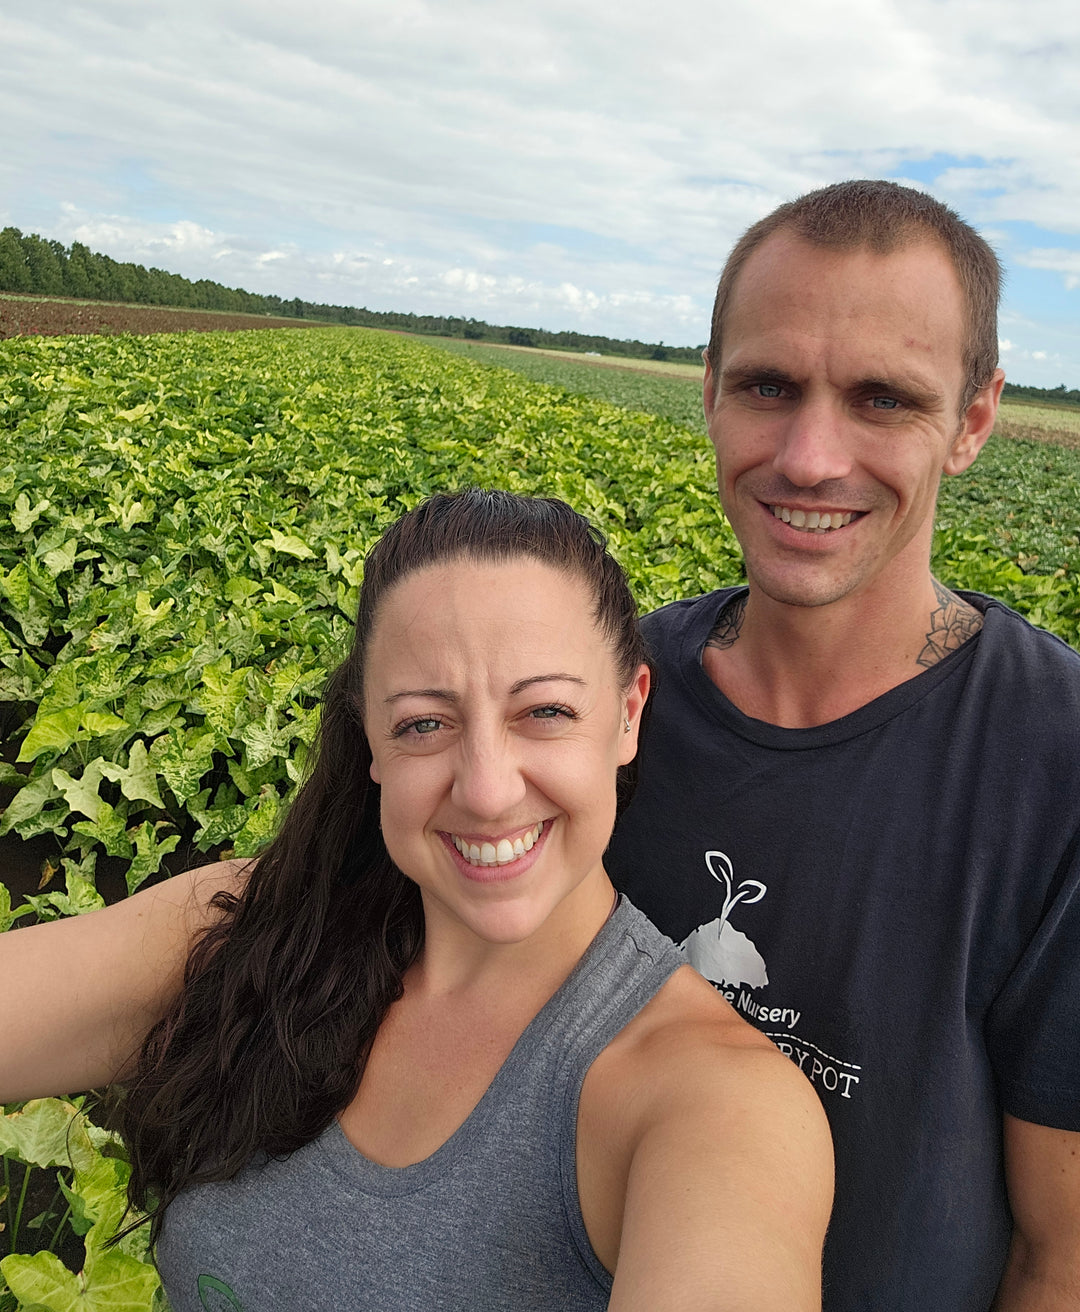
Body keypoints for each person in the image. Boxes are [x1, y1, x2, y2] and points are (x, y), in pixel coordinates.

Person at [0, 489, 832, 1312]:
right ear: (371, 737)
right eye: (426, 725)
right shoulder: (248, 926)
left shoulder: (715, 1104)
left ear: (627, 715)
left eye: (544, 711)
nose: (487, 789)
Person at [606, 180, 1080, 1311]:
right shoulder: (606, 700)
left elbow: (1060, 1257)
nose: (812, 458)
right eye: (770, 385)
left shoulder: (1056, 764)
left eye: (883, 400)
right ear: (710, 391)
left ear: (973, 422)